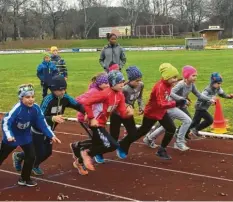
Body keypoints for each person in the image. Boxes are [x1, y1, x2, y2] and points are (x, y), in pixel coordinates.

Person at [12, 76, 85, 176]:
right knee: (38, 151)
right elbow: (39, 117)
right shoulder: (48, 100)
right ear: (53, 89)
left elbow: (78, 105)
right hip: (38, 130)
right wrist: (52, 118)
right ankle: (21, 157)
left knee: (47, 152)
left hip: (50, 131)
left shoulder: (66, 98)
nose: (62, 92)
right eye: (59, 90)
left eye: (64, 89)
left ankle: (30, 162)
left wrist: (87, 114)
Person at [119, 63, 186, 160]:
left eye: (176, 77)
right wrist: (175, 103)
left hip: (161, 112)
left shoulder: (168, 85)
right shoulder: (160, 87)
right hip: (151, 113)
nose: (176, 80)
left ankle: (161, 150)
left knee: (171, 128)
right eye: (173, 77)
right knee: (141, 132)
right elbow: (161, 104)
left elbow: (166, 98)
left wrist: (179, 100)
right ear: (166, 77)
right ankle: (124, 143)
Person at [70, 70, 134, 173]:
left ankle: (79, 158)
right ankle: (86, 152)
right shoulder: (104, 94)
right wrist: (91, 118)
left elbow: (122, 113)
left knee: (98, 143)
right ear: (113, 83)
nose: (123, 84)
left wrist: (128, 114)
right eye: (119, 82)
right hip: (95, 123)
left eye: (123, 81)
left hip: (102, 123)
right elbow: (87, 102)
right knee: (112, 144)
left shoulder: (120, 95)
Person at [0, 84, 61, 187]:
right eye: (27, 97)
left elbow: (42, 123)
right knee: (2, 156)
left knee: (31, 156)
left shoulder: (36, 108)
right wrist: (9, 135)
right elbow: (6, 121)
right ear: (21, 98)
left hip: (25, 136)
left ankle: (24, 178)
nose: (31, 100)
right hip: (12, 137)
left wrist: (51, 135)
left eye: (32, 97)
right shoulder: (17, 109)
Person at [143, 65, 213, 150]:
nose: (195, 77)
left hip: (179, 106)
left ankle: (149, 138)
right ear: (186, 76)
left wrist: (209, 99)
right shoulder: (180, 84)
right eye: (193, 75)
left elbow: (199, 95)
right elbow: (170, 93)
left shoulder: (191, 85)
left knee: (167, 127)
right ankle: (179, 142)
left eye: (196, 75)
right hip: (171, 106)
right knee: (187, 121)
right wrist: (182, 99)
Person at [108, 66, 144, 159]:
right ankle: (98, 151)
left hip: (127, 114)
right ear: (130, 80)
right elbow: (118, 101)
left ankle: (123, 147)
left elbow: (140, 97)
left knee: (133, 134)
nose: (138, 82)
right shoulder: (124, 89)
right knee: (113, 138)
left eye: (140, 80)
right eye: (136, 80)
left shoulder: (141, 85)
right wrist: (127, 106)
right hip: (116, 114)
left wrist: (141, 106)